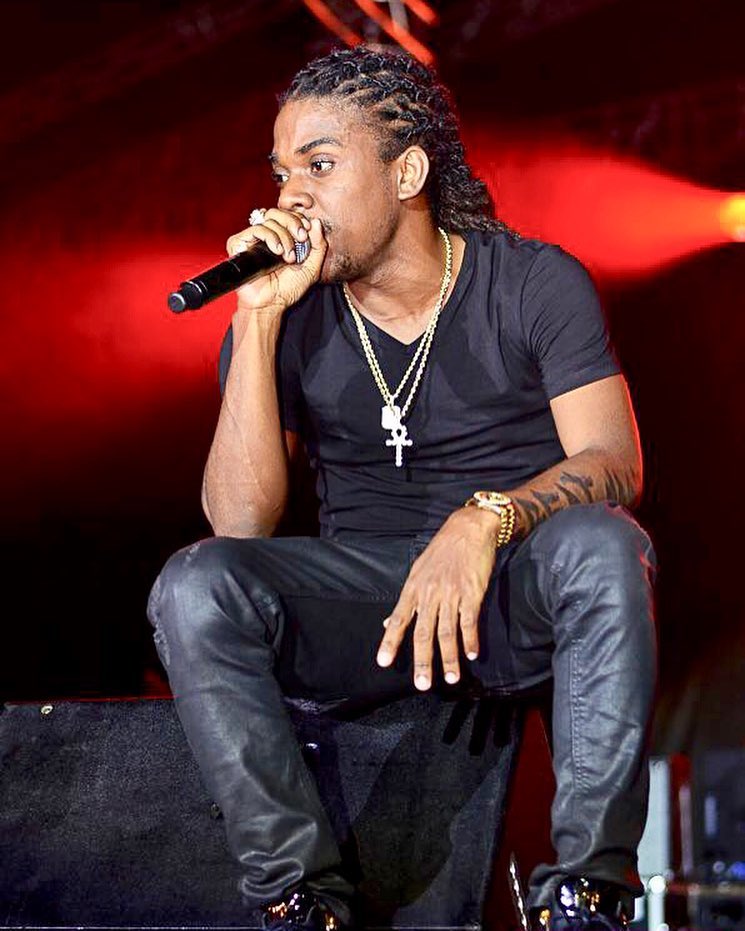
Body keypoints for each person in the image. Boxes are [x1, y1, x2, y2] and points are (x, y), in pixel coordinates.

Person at [147, 45, 657, 931]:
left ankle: (587, 891)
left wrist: (485, 518)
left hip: (508, 590)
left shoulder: (531, 281)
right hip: (371, 608)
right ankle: (299, 896)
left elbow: (614, 462)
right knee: (196, 583)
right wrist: (256, 322)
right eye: (280, 172)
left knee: (605, 544)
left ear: (407, 173)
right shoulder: (286, 315)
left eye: (319, 165)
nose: (290, 197)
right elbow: (238, 522)